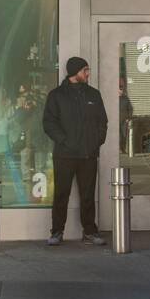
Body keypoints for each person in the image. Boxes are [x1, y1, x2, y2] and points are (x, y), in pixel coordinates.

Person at [43, 56, 108, 247]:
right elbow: (49, 123)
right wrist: (64, 141)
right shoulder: (56, 95)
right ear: (75, 72)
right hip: (64, 154)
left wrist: (96, 142)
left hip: (88, 154)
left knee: (88, 195)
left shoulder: (94, 95)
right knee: (61, 194)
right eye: (85, 70)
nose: (88, 74)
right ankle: (56, 232)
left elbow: (102, 122)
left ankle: (90, 231)